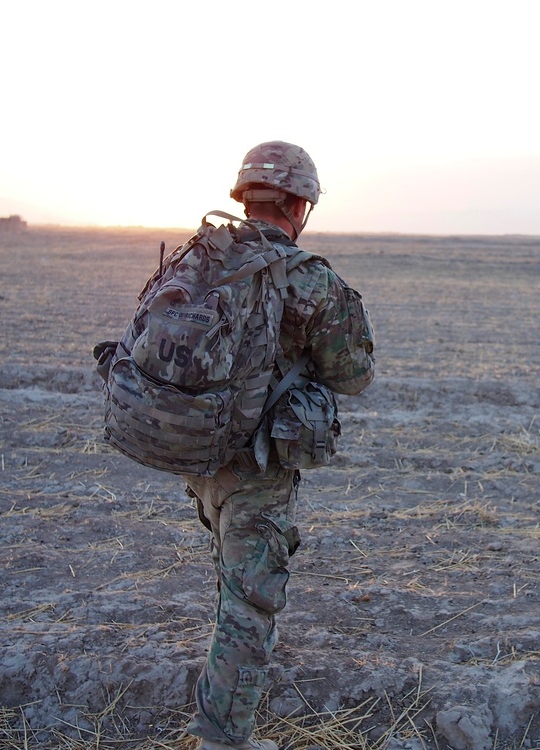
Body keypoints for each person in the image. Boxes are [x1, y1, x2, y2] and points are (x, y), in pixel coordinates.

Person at [182, 141, 376, 750]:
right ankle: (223, 739)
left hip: (199, 452)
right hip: (259, 464)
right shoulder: (310, 278)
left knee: (232, 583)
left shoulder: (201, 258)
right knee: (250, 602)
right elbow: (354, 375)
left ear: (245, 198)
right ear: (299, 203)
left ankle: (220, 715)